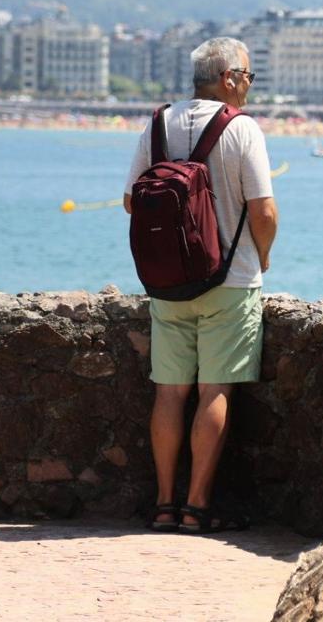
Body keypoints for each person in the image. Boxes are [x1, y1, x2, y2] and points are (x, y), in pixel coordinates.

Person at [123, 37, 278, 533]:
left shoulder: (158, 123)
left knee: (169, 393)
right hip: (230, 281)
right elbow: (264, 210)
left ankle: (164, 504)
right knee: (215, 389)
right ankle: (195, 508)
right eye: (249, 77)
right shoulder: (243, 129)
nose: (250, 87)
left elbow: (131, 202)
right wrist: (264, 256)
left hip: (167, 282)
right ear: (229, 78)